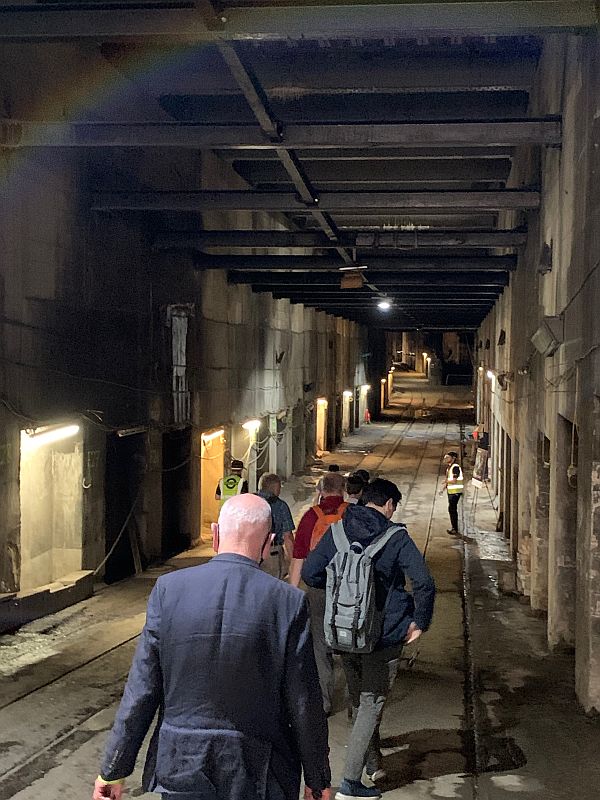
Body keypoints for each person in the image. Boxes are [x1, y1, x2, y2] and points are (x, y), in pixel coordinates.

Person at [92, 494, 331, 800]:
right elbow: (302, 700)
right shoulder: (287, 601)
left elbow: (142, 688)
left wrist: (114, 769)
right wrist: (317, 777)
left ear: (216, 534)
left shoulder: (169, 590)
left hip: (183, 764)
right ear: (268, 542)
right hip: (257, 769)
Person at [302, 479, 435, 800]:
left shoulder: (338, 531)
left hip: (346, 632)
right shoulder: (396, 537)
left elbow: (310, 573)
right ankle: (349, 783)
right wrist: (419, 621)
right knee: (371, 704)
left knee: (360, 700)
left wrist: (339, 586)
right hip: (384, 637)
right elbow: (424, 582)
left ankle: (373, 762)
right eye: (394, 506)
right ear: (388, 503)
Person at [290, 471, 347, 715]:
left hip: (318, 589)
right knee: (352, 639)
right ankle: (356, 701)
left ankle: (323, 701)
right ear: (343, 490)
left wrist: (292, 592)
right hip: (349, 590)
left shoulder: (311, 517)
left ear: (321, 491)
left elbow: (298, 558)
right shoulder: (353, 515)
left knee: (319, 645)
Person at [257, 472, 295, 580]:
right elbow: (288, 537)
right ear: (276, 487)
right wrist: (294, 562)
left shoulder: (248, 501)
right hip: (272, 553)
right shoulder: (280, 506)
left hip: (249, 552)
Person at [440, 451, 464, 535]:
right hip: (451, 492)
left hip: (455, 492)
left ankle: (455, 528)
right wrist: (444, 488)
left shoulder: (455, 467)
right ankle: (454, 527)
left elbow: (454, 480)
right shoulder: (450, 467)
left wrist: (446, 481)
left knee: (452, 510)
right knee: (451, 509)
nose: (446, 459)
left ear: (453, 458)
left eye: (448, 457)